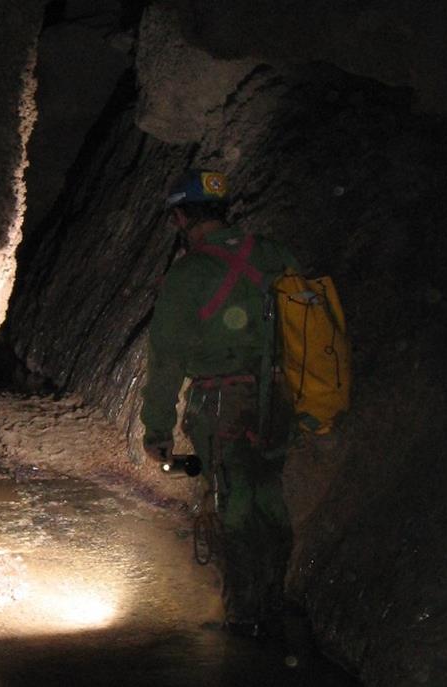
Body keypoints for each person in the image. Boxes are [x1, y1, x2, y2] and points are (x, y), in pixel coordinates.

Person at [140, 169, 300, 637]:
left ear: (180, 218)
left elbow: (166, 359)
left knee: (234, 500)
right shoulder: (273, 253)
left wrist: (157, 430)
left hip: (222, 405)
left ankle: (246, 618)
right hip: (277, 399)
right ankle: (274, 603)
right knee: (268, 491)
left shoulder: (189, 274)